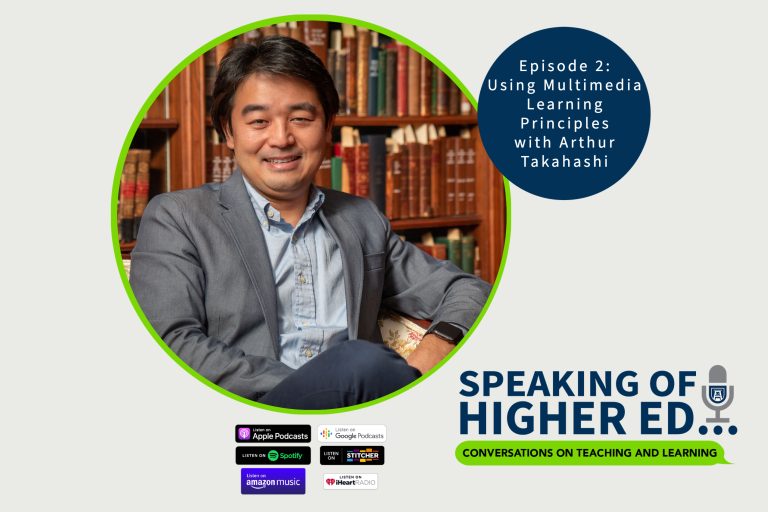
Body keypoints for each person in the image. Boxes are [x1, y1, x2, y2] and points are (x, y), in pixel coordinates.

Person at [130, 36, 491, 409]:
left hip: (363, 407)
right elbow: (172, 341)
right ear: (228, 132)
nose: (282, 138)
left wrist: (435, 348)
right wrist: (323, 385)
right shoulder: (179, 217)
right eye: (259, 121)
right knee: (360, 361)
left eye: (301, 119)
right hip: (252, 412)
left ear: (328, 127)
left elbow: (466, 290)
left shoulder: (361, 219)